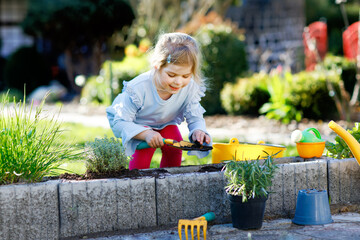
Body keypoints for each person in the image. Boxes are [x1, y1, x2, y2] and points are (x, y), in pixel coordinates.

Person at [106, 32, 212, 170]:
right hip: (137, 124)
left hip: (165, 123)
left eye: (186, 75)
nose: (178, 82)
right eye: (171, 75)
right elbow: (120, 122)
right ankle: (138, 182)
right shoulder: (139, 88)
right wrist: (146, 134)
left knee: (175, 147)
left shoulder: (190, 87)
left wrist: (198, 130)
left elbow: (195, 116)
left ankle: (169, 181)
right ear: (157, 66)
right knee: (145, 151)